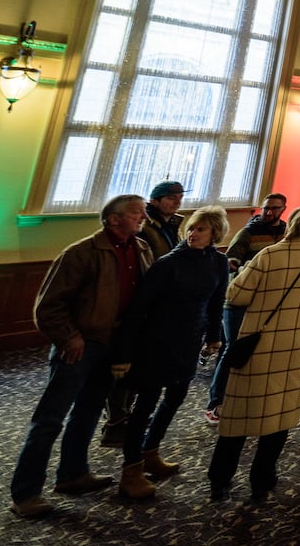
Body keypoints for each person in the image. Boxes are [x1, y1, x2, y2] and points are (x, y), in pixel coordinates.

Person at [9, 195, 151, 519]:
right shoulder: (81, 253)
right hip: (81, 346)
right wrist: (69, 338)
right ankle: (26, 492)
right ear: (113, 219)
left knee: (87, 413)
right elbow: (48, 307)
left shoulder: (140, 249)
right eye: (135, 213)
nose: (143, 217)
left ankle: (73, 474)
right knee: (49, 420)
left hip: (113, 345)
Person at [208, 205, 300, 503]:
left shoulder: (269, 255)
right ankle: (262, 480)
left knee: (239, 417)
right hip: (296, 348)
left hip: (259, 345)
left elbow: (235, 294)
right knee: (279, 417)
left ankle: (220, 480)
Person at [111, 206, 229, 499]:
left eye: (201, 229)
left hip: (189, 339)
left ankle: (151, 450)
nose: (193, 233)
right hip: (158, 340)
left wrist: (214, 337)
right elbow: (139, 309)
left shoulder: (218, 261)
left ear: (215, 233)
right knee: (145, 405)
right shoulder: (169, 263)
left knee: (176, 397)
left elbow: (216, 303)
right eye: (192, 227)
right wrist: (125, 351)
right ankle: (131, 469)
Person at [104, 179, 186, 448]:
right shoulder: (146, 229)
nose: (177, 201)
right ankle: (116, 421)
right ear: (156, 199)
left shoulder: (172, 225)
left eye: (179, 197)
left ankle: (127, 416)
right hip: (137, 304)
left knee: (139, 366)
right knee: (123, 368)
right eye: (171, 197)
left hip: (157, 305)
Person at [206, 193, 288, 424]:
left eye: (274, 208)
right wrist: (246, 269)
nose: (269, 212)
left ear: (283, 209)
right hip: (240, 300)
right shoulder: (248, 233)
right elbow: (231, 262)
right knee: (233, 349)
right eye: (266, 208)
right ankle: (216, 401)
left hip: (269, 301)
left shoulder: (286, 232)